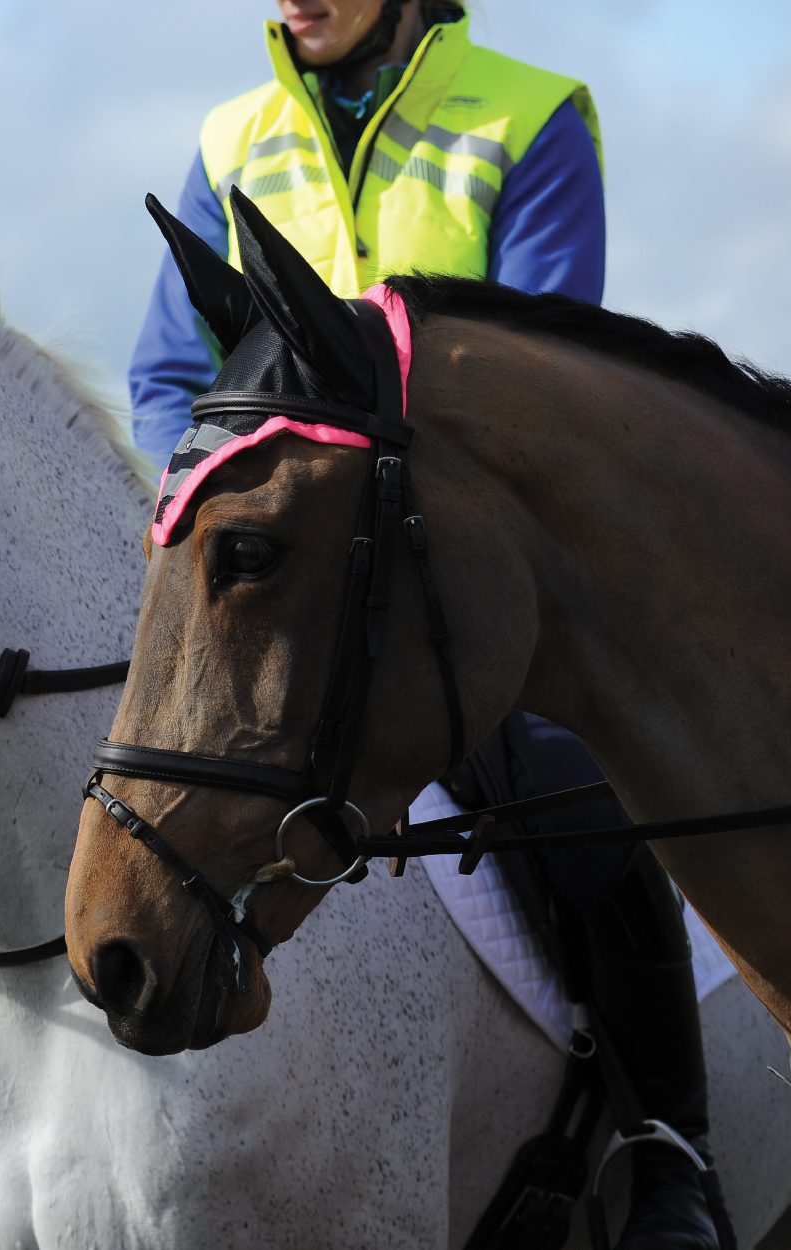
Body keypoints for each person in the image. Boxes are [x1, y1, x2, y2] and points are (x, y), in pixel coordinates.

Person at [129, 4, 724, 1246]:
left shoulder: (529, 111)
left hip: (468, 559)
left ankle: (671, 1143)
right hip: (284, 566)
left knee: (570, 778)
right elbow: (167, 379)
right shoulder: (228, 136)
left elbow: (540, 359)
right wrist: (217, 532)